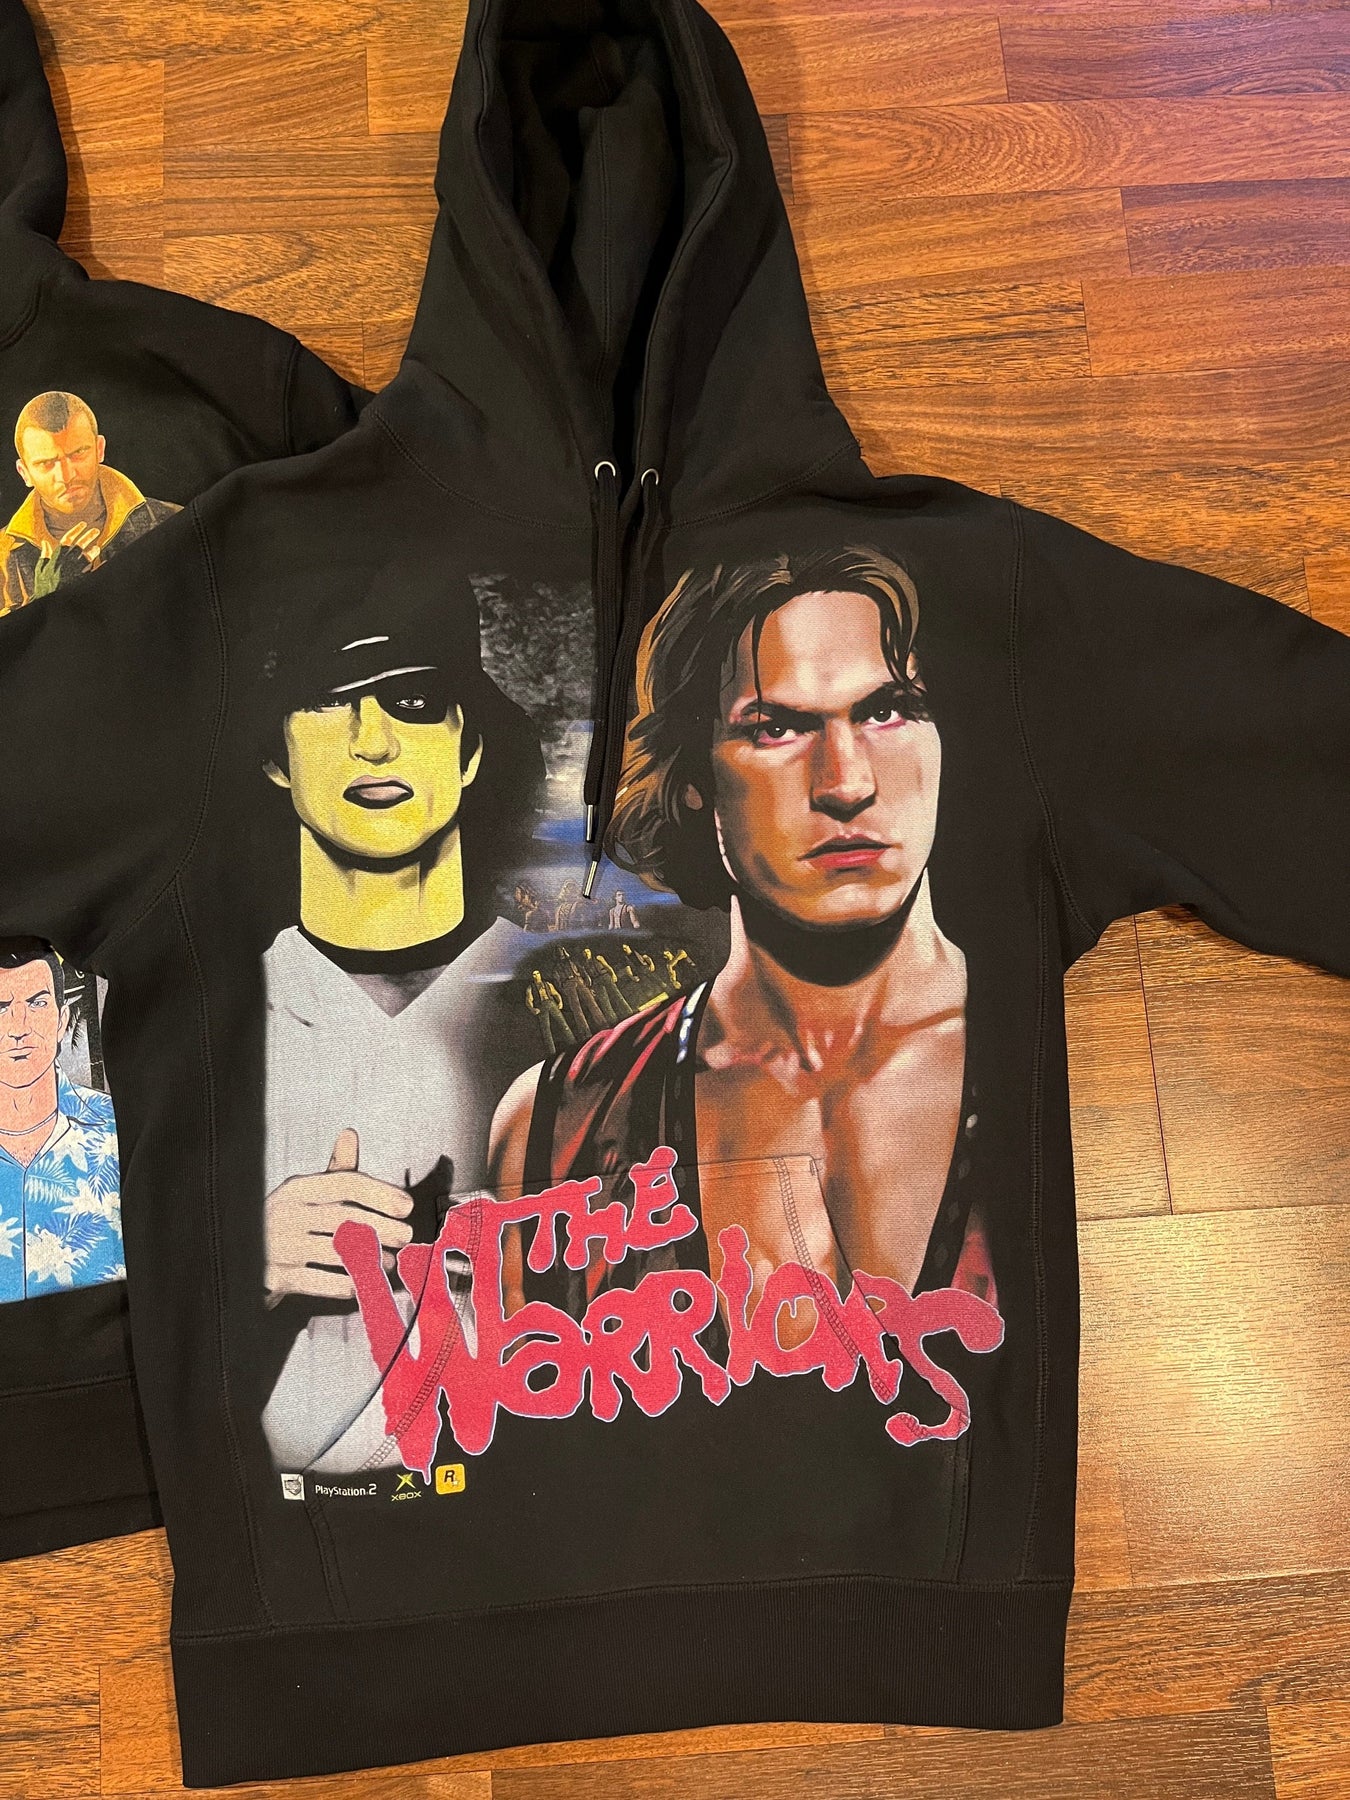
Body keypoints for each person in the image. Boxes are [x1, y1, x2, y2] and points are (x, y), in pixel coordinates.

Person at [489, 547, 991, 1343]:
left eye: (887, 711)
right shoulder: (557, 1125)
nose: (847, 783)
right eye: (777, 727)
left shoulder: (1032, 1053)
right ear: (694, 779)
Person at [257, 557, 544, 1467]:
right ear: (274, 754)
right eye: (328, 700)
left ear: (469, 748)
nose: (373, 741)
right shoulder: (209, 1020)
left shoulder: (570, 1006)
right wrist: (233, 1257)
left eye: (414, 701)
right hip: (300, 1521)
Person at [0, 943, 121, 1303]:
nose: (18, 1027)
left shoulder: (117, 1129)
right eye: (0, 1008)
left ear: (62, 1020)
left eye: (37, 1003)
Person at [1, 391, 179, 611]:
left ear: (100, 449)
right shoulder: (2, 556)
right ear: (24, 472)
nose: (66, 476)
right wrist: (45, 597)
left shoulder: (171, 521)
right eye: (46, 463)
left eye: (78, 453)